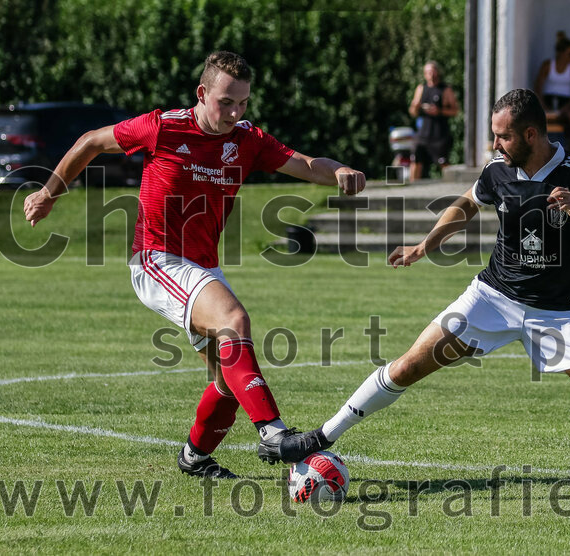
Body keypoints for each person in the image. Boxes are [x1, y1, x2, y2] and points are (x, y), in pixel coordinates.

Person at [276, 89, 570, 497]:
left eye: (503, 135)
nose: (495, 144)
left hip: (559, 312)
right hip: (493, 297)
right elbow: (466, 203)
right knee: (408, 365)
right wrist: (424, 246)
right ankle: (319, 437)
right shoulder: (497, 168)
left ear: (531, 135)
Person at [23, 51, 367, 478]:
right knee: (233, 320)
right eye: (226, 102)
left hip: (203, 268)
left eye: (243, 103)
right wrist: (50, 193)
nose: (235, 112)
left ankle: (195, 457)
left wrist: (340, 170)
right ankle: (273, 433)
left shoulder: (247, 139)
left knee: (227, 379)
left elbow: (305, 165)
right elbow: (92, 140)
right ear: (202, 93)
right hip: (156, 258)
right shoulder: (163, 127)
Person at [533, 31, 570, 152]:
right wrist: (544, 106)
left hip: (567, 102)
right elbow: (538, 88)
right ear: (560, 53)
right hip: (548, 100)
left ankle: (569, 150)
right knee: (536, 122)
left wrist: (567, 107)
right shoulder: (547, 65)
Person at [408, 61, 459, 181]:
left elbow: (455, 111)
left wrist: (439, 111)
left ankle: (453, 185)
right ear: (424, 74)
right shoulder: (421, 88)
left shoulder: (445, 89)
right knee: (416, 158)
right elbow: (413, 112)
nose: (430, 74)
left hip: (439, 134)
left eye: (432, 71)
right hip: (423, 133)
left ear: (437, 72)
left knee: (443, 162)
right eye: (427, 72)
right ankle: (412, 188)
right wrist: (415, 107)